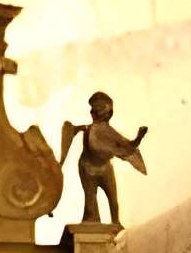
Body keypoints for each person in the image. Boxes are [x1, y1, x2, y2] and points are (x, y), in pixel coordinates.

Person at [59, 91, 148, 224]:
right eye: (93, 109)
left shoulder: (108, 131)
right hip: (87, 168)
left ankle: (115, 223)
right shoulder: (88, 129)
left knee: (113, 201)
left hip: (105, 168)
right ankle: (93, 221)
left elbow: (128, 146)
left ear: (108, 113)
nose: (93, 112)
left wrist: (139, 137)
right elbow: (71, 133)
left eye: (98, 109)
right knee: (91, 205)